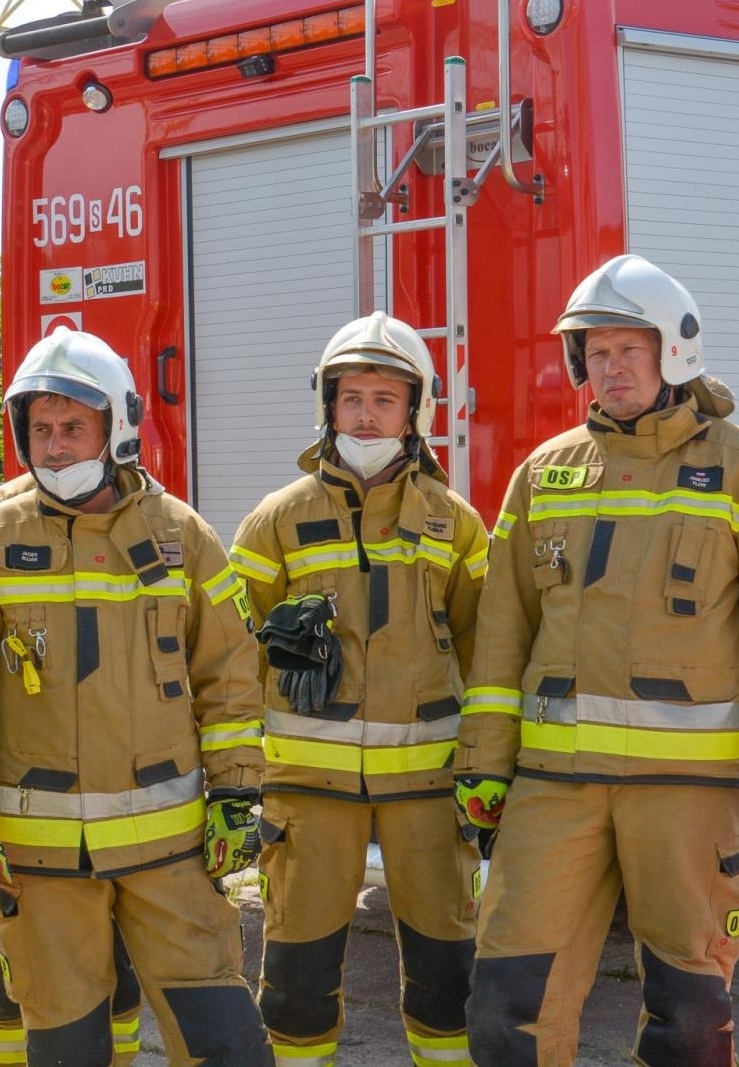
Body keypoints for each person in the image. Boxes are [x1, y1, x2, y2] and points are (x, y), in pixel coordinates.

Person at [456, 254, 739, 1065]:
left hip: (687, 794)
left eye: (628, 349)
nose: (610, 368)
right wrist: (484, 764)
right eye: (594, 353)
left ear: (675, 353)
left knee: (689, 1023)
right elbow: (501, 635)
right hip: (554, 791)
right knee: (504, 1011)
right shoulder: (543, 476)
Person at [0, 328, 273, 1066]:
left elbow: (231, 676)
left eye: (73, 428)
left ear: (115, 428)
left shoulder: (182, 535)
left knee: (227, 1044)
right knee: (68, 1050)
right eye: (39, 430)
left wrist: (237, 796)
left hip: (170, 854)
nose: (54, 448)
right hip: (40, 864)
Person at [229, 312, 487, 1066]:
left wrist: (488, 767)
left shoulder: (455, 523)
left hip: (428, 791)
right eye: (351, 398)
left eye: (384, 398)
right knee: (295, 981)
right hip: (307, 789)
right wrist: (234, 777)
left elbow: (487, 651)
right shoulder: (277, 520)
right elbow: (230, 656)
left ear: (416, 412)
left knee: (446, 978)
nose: (366, 413)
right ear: (328, 408)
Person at [0, 471, 146, 1067]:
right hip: (28, 818)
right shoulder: (0, 514)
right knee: (5, 970)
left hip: (123, 811)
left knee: (116, 972)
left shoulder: (145, 514)